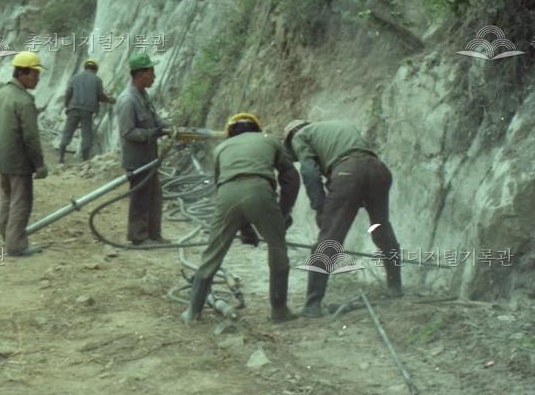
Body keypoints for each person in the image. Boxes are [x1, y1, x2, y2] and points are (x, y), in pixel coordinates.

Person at [181, 113, 300, 324]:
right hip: (259, 189)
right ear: (256, 128)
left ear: (229, 133)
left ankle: (193, 312)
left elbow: (223, 187)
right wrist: (282, 214)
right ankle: (279, 311)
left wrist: (245, 229)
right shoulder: (269, 139)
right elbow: (290, 178)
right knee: (277, 249)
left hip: (226, 195)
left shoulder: (221, 149)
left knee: (212, 254)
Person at [284, 119, 403, 317]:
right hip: (378, 170)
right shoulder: (335, 127)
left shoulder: (299, 136)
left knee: (329, 239)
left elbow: (309, 172)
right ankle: (395, 286)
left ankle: (312, 305)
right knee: (381, 228)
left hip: (349, 173)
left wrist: (320, 207)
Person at [0, 51, 48, 257]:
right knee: (21, 201)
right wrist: (39, 164)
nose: (37, 79)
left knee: (7, 197)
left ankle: (6, 234)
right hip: (18, 161)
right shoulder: (23, 101)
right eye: (35, 74)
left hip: (2, 158)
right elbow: (31, 138)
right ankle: (16, 245)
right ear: (23, 73)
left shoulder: (2, 94)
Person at [114, 52, 168, 245]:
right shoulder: (127, 100)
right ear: (139, 75)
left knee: (154, 196)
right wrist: (152, 133)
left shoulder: (143, 95)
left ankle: (154, 235)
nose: (154, 76)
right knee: (140, 198)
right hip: (137, 159)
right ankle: (138, 236)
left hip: (149, 157)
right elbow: (127, 132)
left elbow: (155, 119)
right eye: (151, 72)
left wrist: (165, 128)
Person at [59, 58, 114, 163]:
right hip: (87, 111)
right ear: (95, 69)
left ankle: (61, 158)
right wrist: (110, 99)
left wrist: (67, 105)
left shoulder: (75, 77)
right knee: (86, 135)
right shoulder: (97, 80)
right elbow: (100, 96)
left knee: (67, 132)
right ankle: (84, 160)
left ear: (85, 67)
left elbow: (68, 92)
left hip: (73, 108)